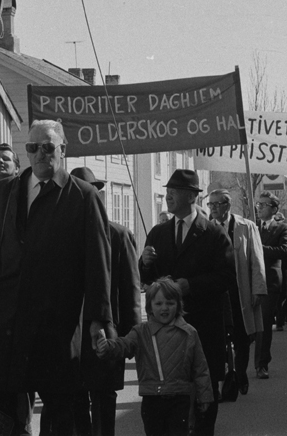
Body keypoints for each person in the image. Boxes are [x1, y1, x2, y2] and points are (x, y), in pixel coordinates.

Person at [0, 120, 112, 436]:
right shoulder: (2, 194)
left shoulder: (83, 197)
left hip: (55, 331)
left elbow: (98, 264)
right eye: (33, 147)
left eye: (48, 147)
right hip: (5, 326)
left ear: (63, 149)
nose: (40, 154)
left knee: (63, 416)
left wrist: (99, 320)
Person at [139, 169, 235, 436]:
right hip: (166, 335)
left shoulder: (214, 234)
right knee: (168, 401)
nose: (168, 195)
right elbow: (147, 278)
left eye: (174, 191)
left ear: (192, 196)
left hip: (203, 328)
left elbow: (227, 277)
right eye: (168, 190)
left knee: (204, 397)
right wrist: (144, 264)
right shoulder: (158, 233)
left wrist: (190, 285)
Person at [71, 166, 142, 436]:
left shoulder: (119, 235)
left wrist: (132, 337)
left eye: (93, 192)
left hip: (108, 335)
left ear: (99, 195)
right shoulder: (62, 234)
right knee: (75, 400)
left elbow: (131, 292)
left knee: (103, 401)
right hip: (73, 337)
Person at [96, 278, 213, 436]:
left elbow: (200, 368)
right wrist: (108, 347)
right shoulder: (141, 332)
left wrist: (204, 396)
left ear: (178, 304)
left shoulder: (189, 333)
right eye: (158, 304)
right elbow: (124, 345)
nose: (164, 308)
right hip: (152, 399)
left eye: (170, 303)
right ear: (149, 306)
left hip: (180, 397)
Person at [205, 188, 264, 398]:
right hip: (218, 293)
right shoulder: (206, 228)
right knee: (219, 337)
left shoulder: (246, 227)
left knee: (242, 336)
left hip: (241, 292)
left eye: (216, 204)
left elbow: (257, 260)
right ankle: (224, 379)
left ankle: (240, 372)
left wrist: (258, 289)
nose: (212, 208)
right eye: (209, 205)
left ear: (227, 206)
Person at [255, 193, 287, 377]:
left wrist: (259, 248)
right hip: (252, 280)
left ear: (274, 209)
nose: (259, 207)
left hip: (270, 282)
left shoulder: (282, 228)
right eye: (258, 204)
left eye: (264, 205)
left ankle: (262, 363)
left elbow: (284, 251)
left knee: (264, 323)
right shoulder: (252, 227)